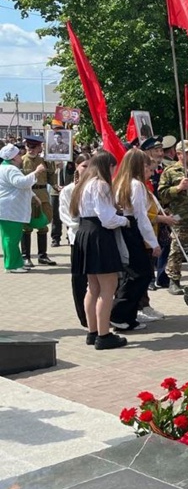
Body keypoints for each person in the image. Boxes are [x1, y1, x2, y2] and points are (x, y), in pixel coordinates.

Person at [71, 151, 129, 350]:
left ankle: (93, 331)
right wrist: (124, 219)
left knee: (93, 287)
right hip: (99, 235)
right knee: (107, 287)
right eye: (113, 168)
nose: (114, 172)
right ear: (108, 166)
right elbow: (107, 218)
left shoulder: (84, 184)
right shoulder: (101, 185)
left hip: (85, 233)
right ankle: (104, 335)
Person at [110, 149, 160, 332]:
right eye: (146, 165)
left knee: (135, 273)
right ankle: (118, 313)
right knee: (140, 274)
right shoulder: (136, 185)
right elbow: (141, 216)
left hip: (124, 227)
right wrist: (153, 243)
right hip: (132, 228)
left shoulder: (120, 182)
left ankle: (127, 317)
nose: (149, 168)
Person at [158, 140, 188, 296]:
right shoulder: (171, 171)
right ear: (179, 154)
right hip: (180, 217)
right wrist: (178, 188)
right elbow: (162, 195)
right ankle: (174, 280)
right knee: (177, 250)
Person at [0, 142, 42, 273]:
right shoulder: (10, 169)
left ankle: (15, 263)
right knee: (10, 239)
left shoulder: (5, 167)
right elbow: (21, 183)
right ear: (13, 157)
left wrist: (33, 195)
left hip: (9, 210)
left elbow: (20, 185)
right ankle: (12, 265)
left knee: (11, 238)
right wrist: (36, 172)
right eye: (18, 154)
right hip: (10, 210)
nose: (21, 155)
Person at [59, 155, 90, 323]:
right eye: (84, 166)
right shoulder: (68, 190)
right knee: (79, 278)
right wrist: (84, 225)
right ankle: (83, 316)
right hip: (77, 237)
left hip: (94, 239)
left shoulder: (96, 187)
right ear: (77, 167)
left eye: (90, 166)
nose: (87, 169)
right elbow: (66, 216)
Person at [20, 135, 57, 266]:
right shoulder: (21, 161)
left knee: (43, 225)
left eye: (34, 147)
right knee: (26, 227)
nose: (31, 149)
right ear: (25, 146)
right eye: (29, 146)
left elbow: (51, 176)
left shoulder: (45, 161)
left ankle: (42, 256)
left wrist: (56, 185)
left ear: (40, 148)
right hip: (27, 196)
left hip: (43, 195)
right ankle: (26, 257)